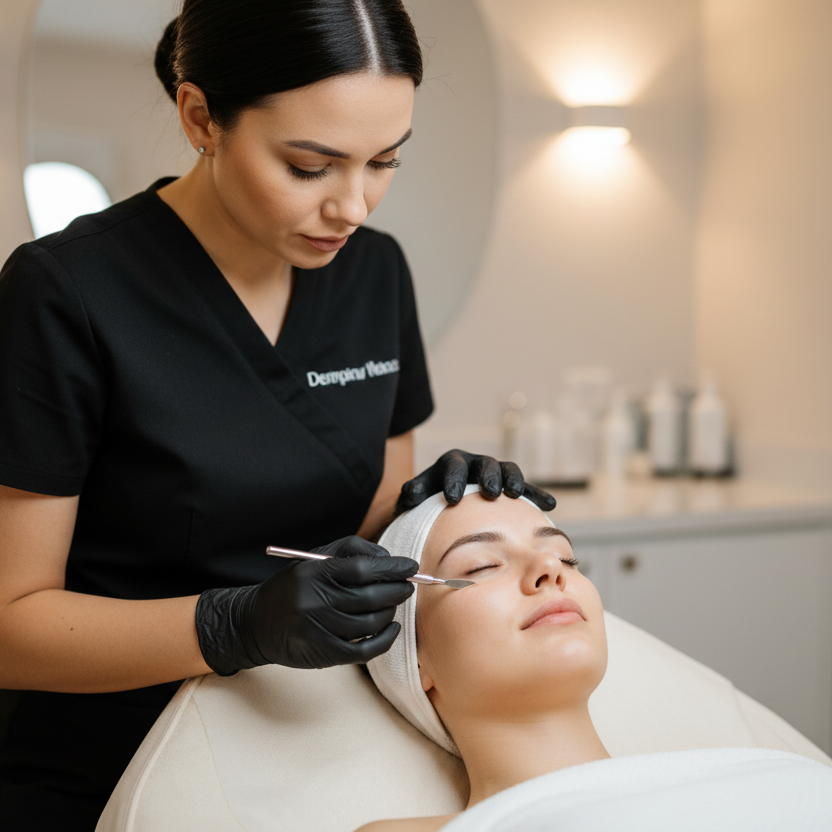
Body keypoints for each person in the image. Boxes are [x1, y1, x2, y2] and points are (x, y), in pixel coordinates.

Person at [0, 2, 554, 828]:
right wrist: (235, 623)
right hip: (106, 768)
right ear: (201, 117)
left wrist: (430, 510)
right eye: (309, 166)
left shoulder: (375, 273)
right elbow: (14, 627)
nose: (354, 206)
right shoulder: (67, 291)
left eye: (384, 162)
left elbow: (367, 516)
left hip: (320, 748)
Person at [361, 488, 832, 832]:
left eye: (565, 558)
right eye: (482, 565)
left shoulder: (760, 771)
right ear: (414, 661)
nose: (550, 569)